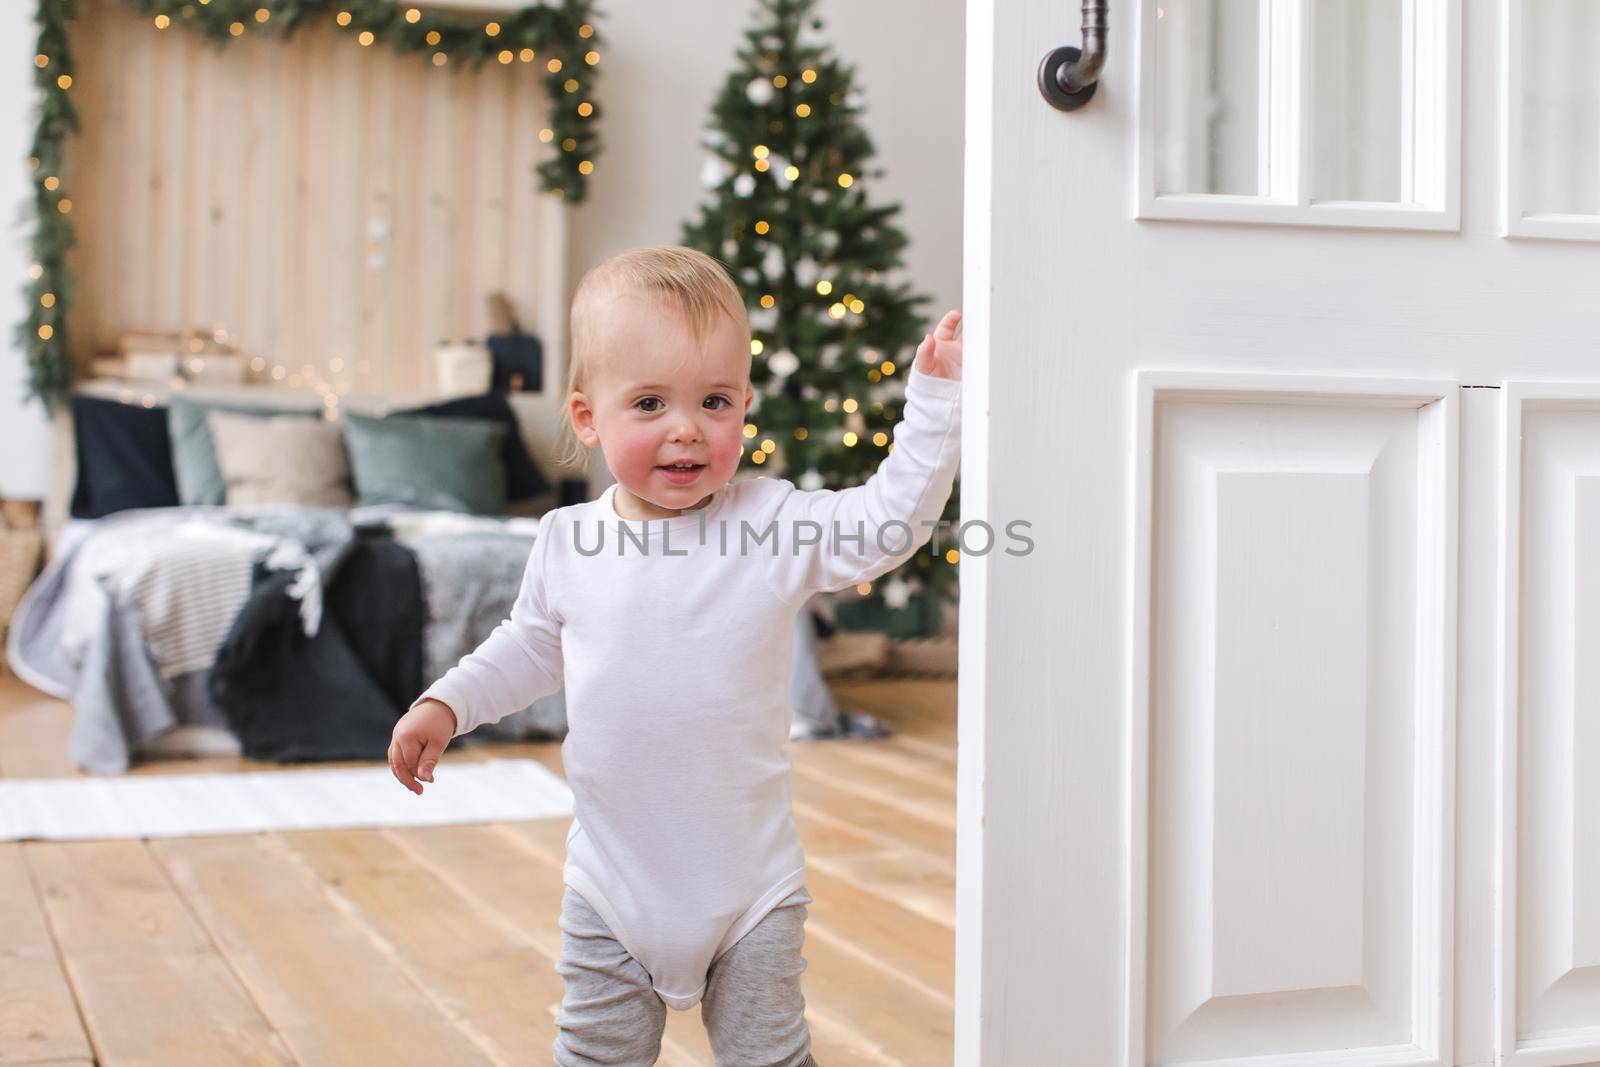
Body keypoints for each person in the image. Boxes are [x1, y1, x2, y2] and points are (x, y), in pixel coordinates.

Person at [388, 244, 963, 1066]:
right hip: (612, 886)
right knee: (595, 1054)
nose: (687, 427)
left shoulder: (770, 522)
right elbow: (526, 647)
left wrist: (936, 401)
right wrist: (447, 703)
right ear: (589, 418)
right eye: (651, 402)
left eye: (715, 400)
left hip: (750, 891)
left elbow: (888, 524)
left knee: (770, 1055)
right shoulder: (568, 540)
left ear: (744, 406)